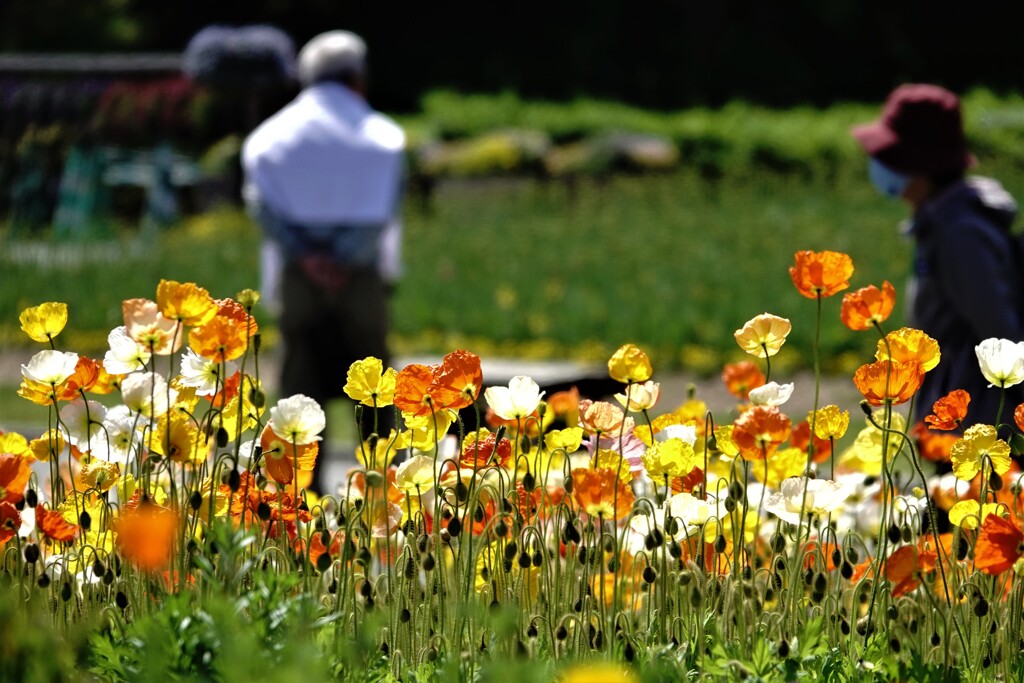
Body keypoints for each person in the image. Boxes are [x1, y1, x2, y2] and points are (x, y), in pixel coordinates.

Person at [242, 30, 405, 491]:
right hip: (361, 275)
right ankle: (384, 489)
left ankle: (297, 494)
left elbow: (261, 206)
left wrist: (308, 256)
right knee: (374, 385)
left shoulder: (268, 138)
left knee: (299, 382)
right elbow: (384, 212)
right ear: (358, 79)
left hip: (297, 275)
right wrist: (344, 257)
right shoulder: (383, 136)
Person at [852, 84, 1024, 429]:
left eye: (889, 157)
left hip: (978, 422)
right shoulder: (942, 221)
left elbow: (1002, 337)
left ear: (918, 165)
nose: (880, 165)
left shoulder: (960, 233)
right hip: (955, 409)